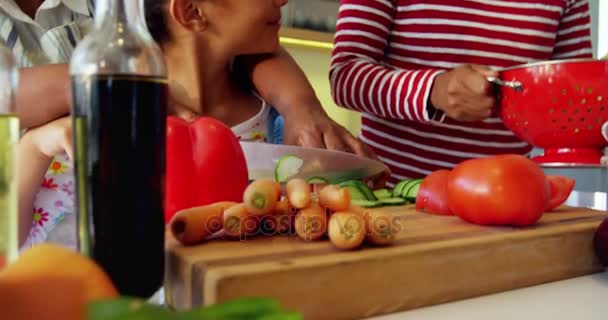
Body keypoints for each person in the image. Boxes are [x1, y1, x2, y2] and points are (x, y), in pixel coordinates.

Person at [330, 0, 593, 186]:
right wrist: (435, 90)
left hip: (511, 202)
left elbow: (577, 97)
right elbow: (344, 76)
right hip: (394, 197)